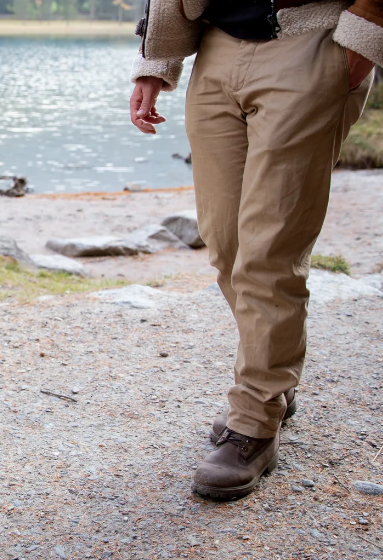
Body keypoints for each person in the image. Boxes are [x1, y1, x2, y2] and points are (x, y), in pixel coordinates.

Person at [129, 0, 379, 499]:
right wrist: (156, 63)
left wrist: (358, 46)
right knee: (227, 245)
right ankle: (273, 384)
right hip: (215, 49)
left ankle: (254, 422)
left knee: (270, 251)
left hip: (312, 42)